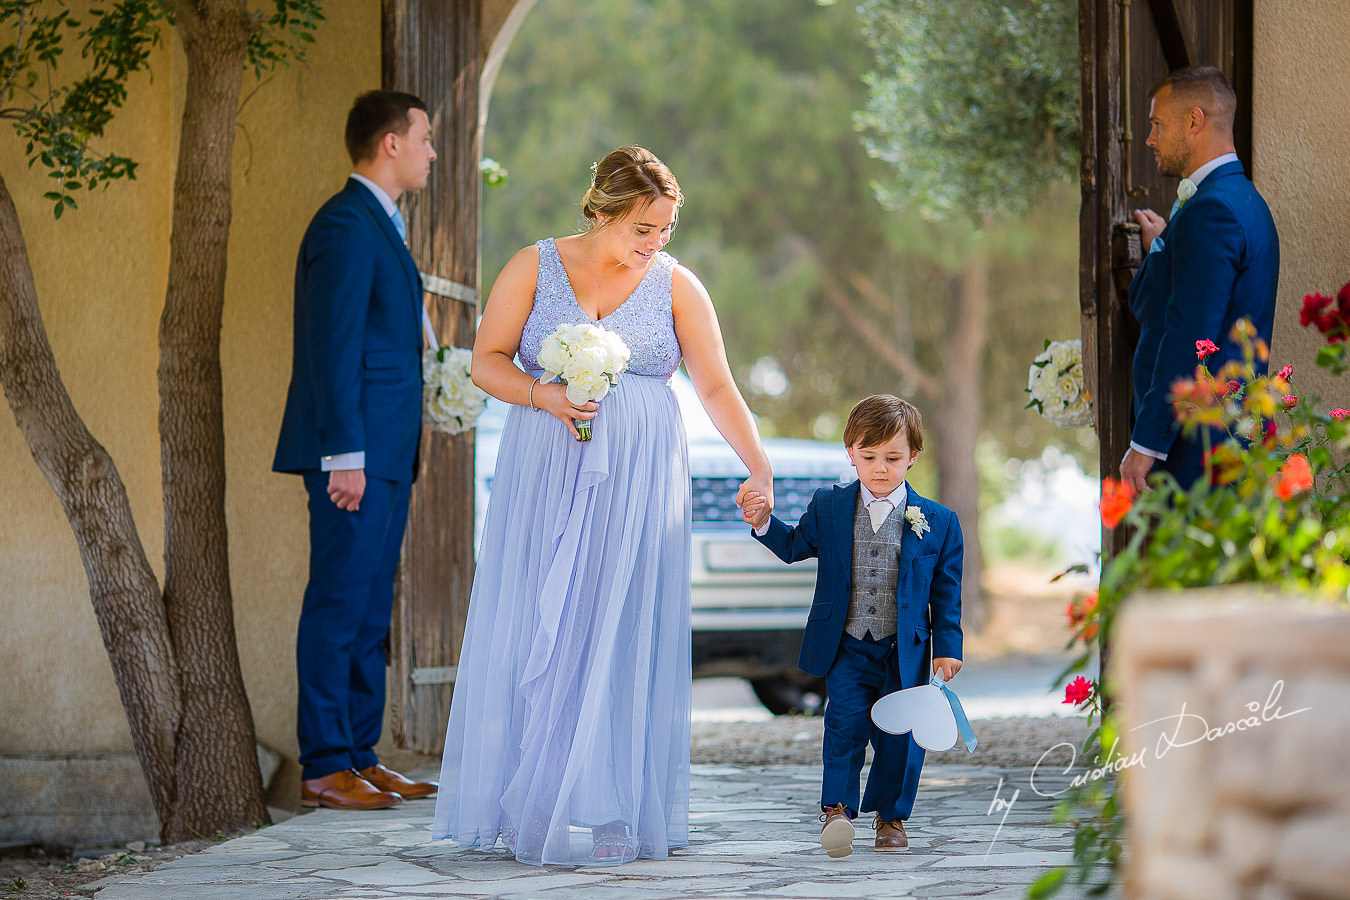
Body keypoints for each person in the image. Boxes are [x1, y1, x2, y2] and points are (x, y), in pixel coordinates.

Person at [431, 146, 774, 865]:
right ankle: (532, 802)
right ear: (601, 212)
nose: (654, 244)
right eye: (642, 228)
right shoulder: (534, 266)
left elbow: (714, 385)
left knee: (619, 632)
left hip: (637, 478)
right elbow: (488, 358)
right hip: (546, 467)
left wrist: (758, 463)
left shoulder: (679, 286)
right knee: (542, 628)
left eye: (666, 229)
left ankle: (618, 810)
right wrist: (546, 395)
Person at [273, 90, 439, 810]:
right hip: (356, 455)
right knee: (340, 603)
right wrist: (344, 453)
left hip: (389, 453)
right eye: (425, 137)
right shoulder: (344, 224)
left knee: (372, 608)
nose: (433, 152)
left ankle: (361, 756)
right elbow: (332, 345)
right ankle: (323, 763)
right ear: (391, 143)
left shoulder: (385, 226)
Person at [740, 395, 963, 858]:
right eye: (869, 457)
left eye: (893, 458)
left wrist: (948, 646)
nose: (880, 468)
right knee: (843, 724)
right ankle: (837, 810)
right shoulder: (830, 504)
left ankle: (891, 817)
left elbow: (946, 591)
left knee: (899, 733)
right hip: (846, 643)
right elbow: (796, 546)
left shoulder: (939, 521)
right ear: (850, 453)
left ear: (913, 457)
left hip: (905, 649)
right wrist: (764, 523)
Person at [1121, 65, 1280, 492]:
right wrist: (1163, 245)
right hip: (1227, 437)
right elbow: (1164, 302)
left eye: (1157, 124)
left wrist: (1147, 442)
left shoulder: (1212, 211)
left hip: (1201, 449)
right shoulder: (1238, 199)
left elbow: (1189, 336)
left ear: (1194, 120)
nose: (1150, 138)